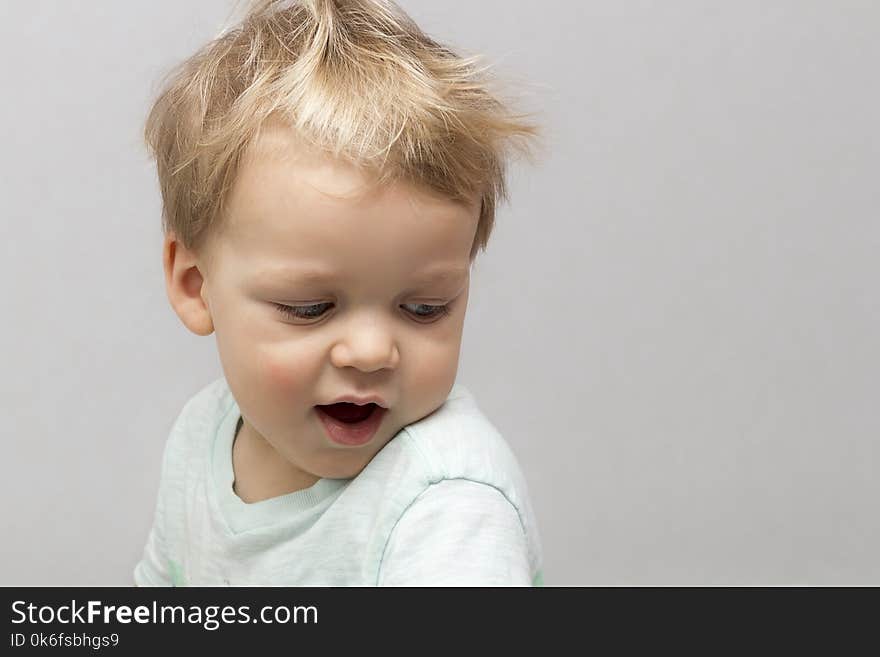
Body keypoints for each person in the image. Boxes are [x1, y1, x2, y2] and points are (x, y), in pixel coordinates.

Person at [134, 0, 544, 586]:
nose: (372, 351)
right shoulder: (204, 435)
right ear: (195, 285)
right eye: (310, 308)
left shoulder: (449, 508)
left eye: (425, 308)